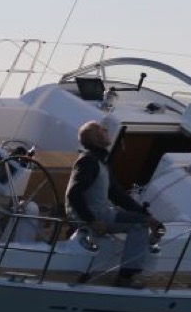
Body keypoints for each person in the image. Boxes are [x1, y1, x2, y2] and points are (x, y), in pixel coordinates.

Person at [65, 121, 164, 288]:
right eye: (102, 130)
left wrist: (147, 215)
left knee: (142, 219)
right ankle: (126, 277)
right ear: (95, 138)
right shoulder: (88, 161)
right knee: (139, 224)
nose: (106, 131)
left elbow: (118, 195)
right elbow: (73, 193)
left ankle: (127, 272)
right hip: (93, 215)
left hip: (99, 212)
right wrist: (91, 221)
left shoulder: (98, 161)